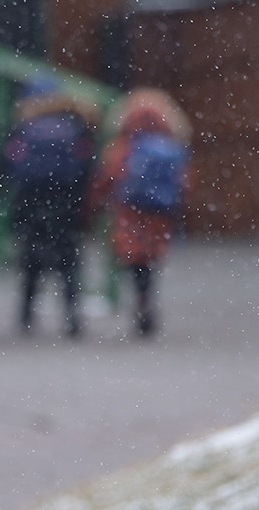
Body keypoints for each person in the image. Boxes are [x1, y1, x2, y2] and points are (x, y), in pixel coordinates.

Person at [0, 80, 98, 338]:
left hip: (30, 203)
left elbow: (6, 164)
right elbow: (87, 167)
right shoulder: (74, 125)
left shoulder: (23, 127)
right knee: (68, 262)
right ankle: (72, 316)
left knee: (31, 262)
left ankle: (26, 316)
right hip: (66, 204)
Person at [92, 88, 192, 338]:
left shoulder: (122, 145)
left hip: (129, 213)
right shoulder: (171, 144)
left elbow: (107, 177)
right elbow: (184, 183)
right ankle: (146, 302)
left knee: (135, 261)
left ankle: (141, 303)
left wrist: (97, 203)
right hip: (159, 214)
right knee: (150, 262)